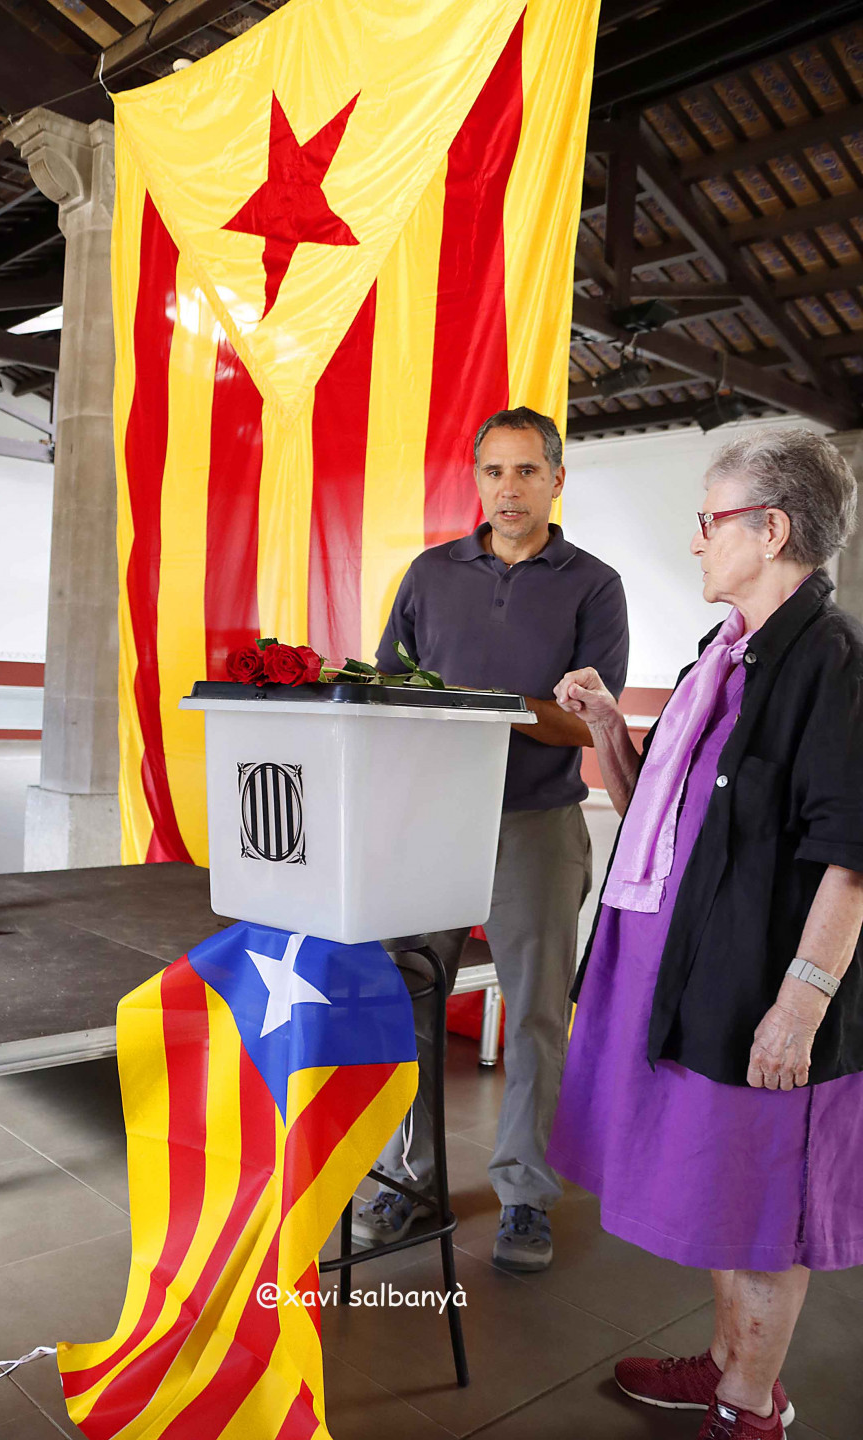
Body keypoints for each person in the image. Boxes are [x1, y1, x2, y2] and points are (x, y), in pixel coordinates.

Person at [547, 427, 863, 1440]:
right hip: (692, 965)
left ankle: (750, 1404)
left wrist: (798, 1008)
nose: (695, 540)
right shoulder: (722, 656)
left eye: (708, 520)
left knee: (765, 1201)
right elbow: (662, 811)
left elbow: (853, 854)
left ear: (769, 530)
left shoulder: (831, 662)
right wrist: (607, 728)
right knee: (727, 1181)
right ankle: (729, 1362)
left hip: (764, 980)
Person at [352, 406, 629, 1270]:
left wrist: (485, 705)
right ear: (476, 479)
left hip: (537, 823)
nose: (509, 489)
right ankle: (410, 1184)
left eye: (527, 471)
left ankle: (525, 1197)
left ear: (556, 479)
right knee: (411, 1003)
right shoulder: (429, 573)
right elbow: (387, 690)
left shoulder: (594, 585)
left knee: (539, 1015)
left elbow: (589, 725)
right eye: (494, 471)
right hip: (430, 821)